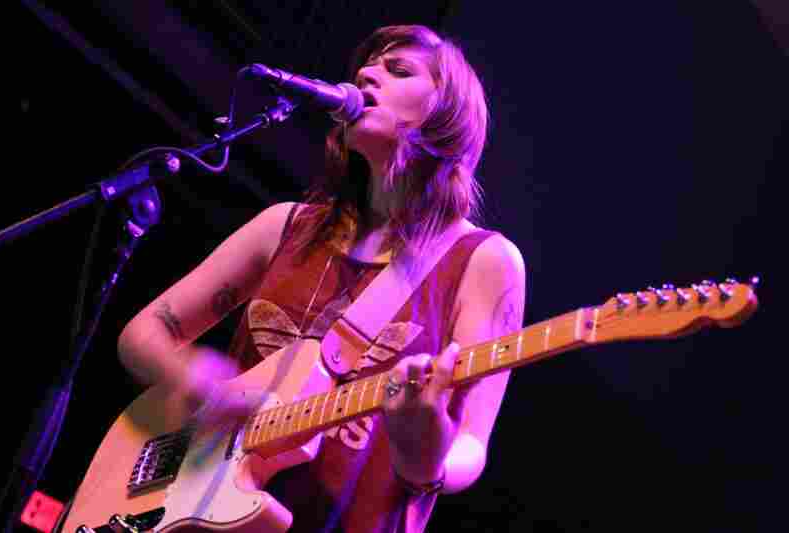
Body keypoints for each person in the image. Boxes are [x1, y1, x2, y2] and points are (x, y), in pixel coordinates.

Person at [118, 24, 526, 532]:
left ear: (448, 115)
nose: (366, 74)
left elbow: (472, 443)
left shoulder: (483, 260)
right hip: (203, 510)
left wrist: (427, 458)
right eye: (366, 67)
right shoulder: (285, 227)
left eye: (397, 70)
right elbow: (143, 334)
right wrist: (197, 382)